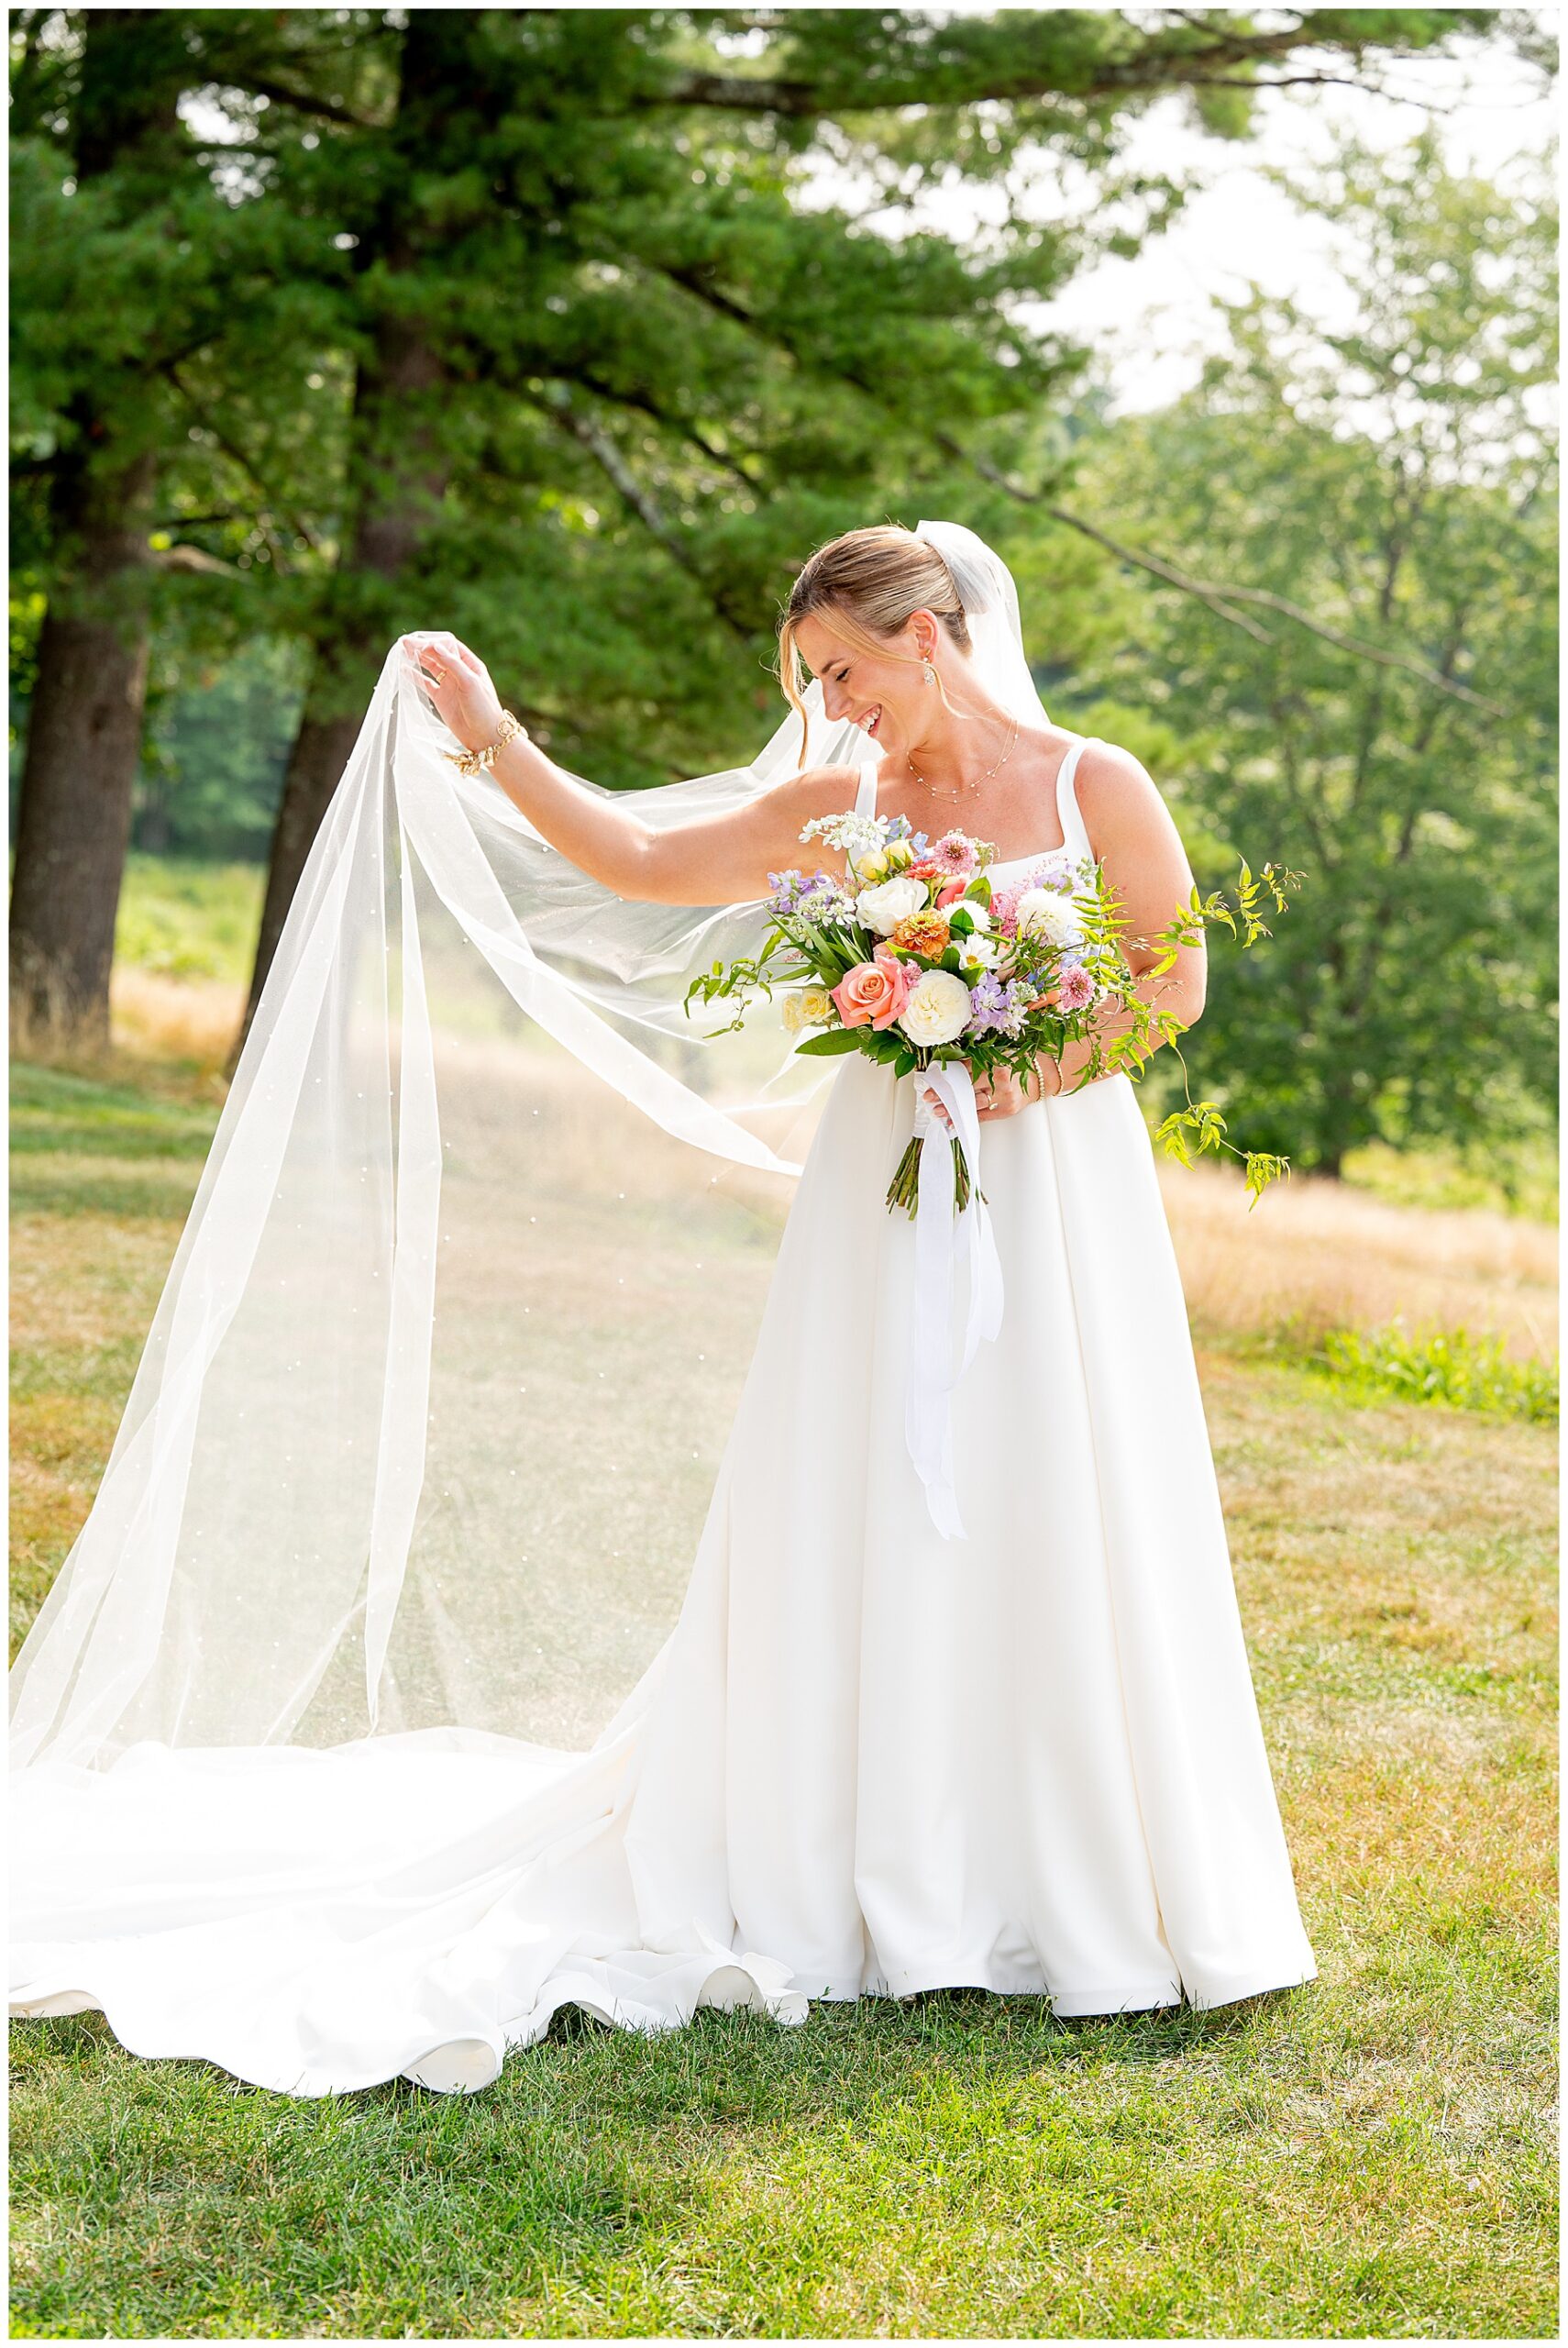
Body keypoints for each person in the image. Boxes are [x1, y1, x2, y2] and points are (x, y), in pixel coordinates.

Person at [10, 521, 1316, 2096]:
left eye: (844, 671)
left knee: (1053, 1479)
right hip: (885, 1190)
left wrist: (1005, 1075)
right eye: (812, 678)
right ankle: (869, 1857)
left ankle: (1071, 1873)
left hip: (1050, 1191)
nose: (830, 706)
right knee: (860, 1493)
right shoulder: (837, 808)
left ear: (932, 631)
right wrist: (493, 742)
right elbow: (626, 858)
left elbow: (1166, 985)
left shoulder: (1090, 780)